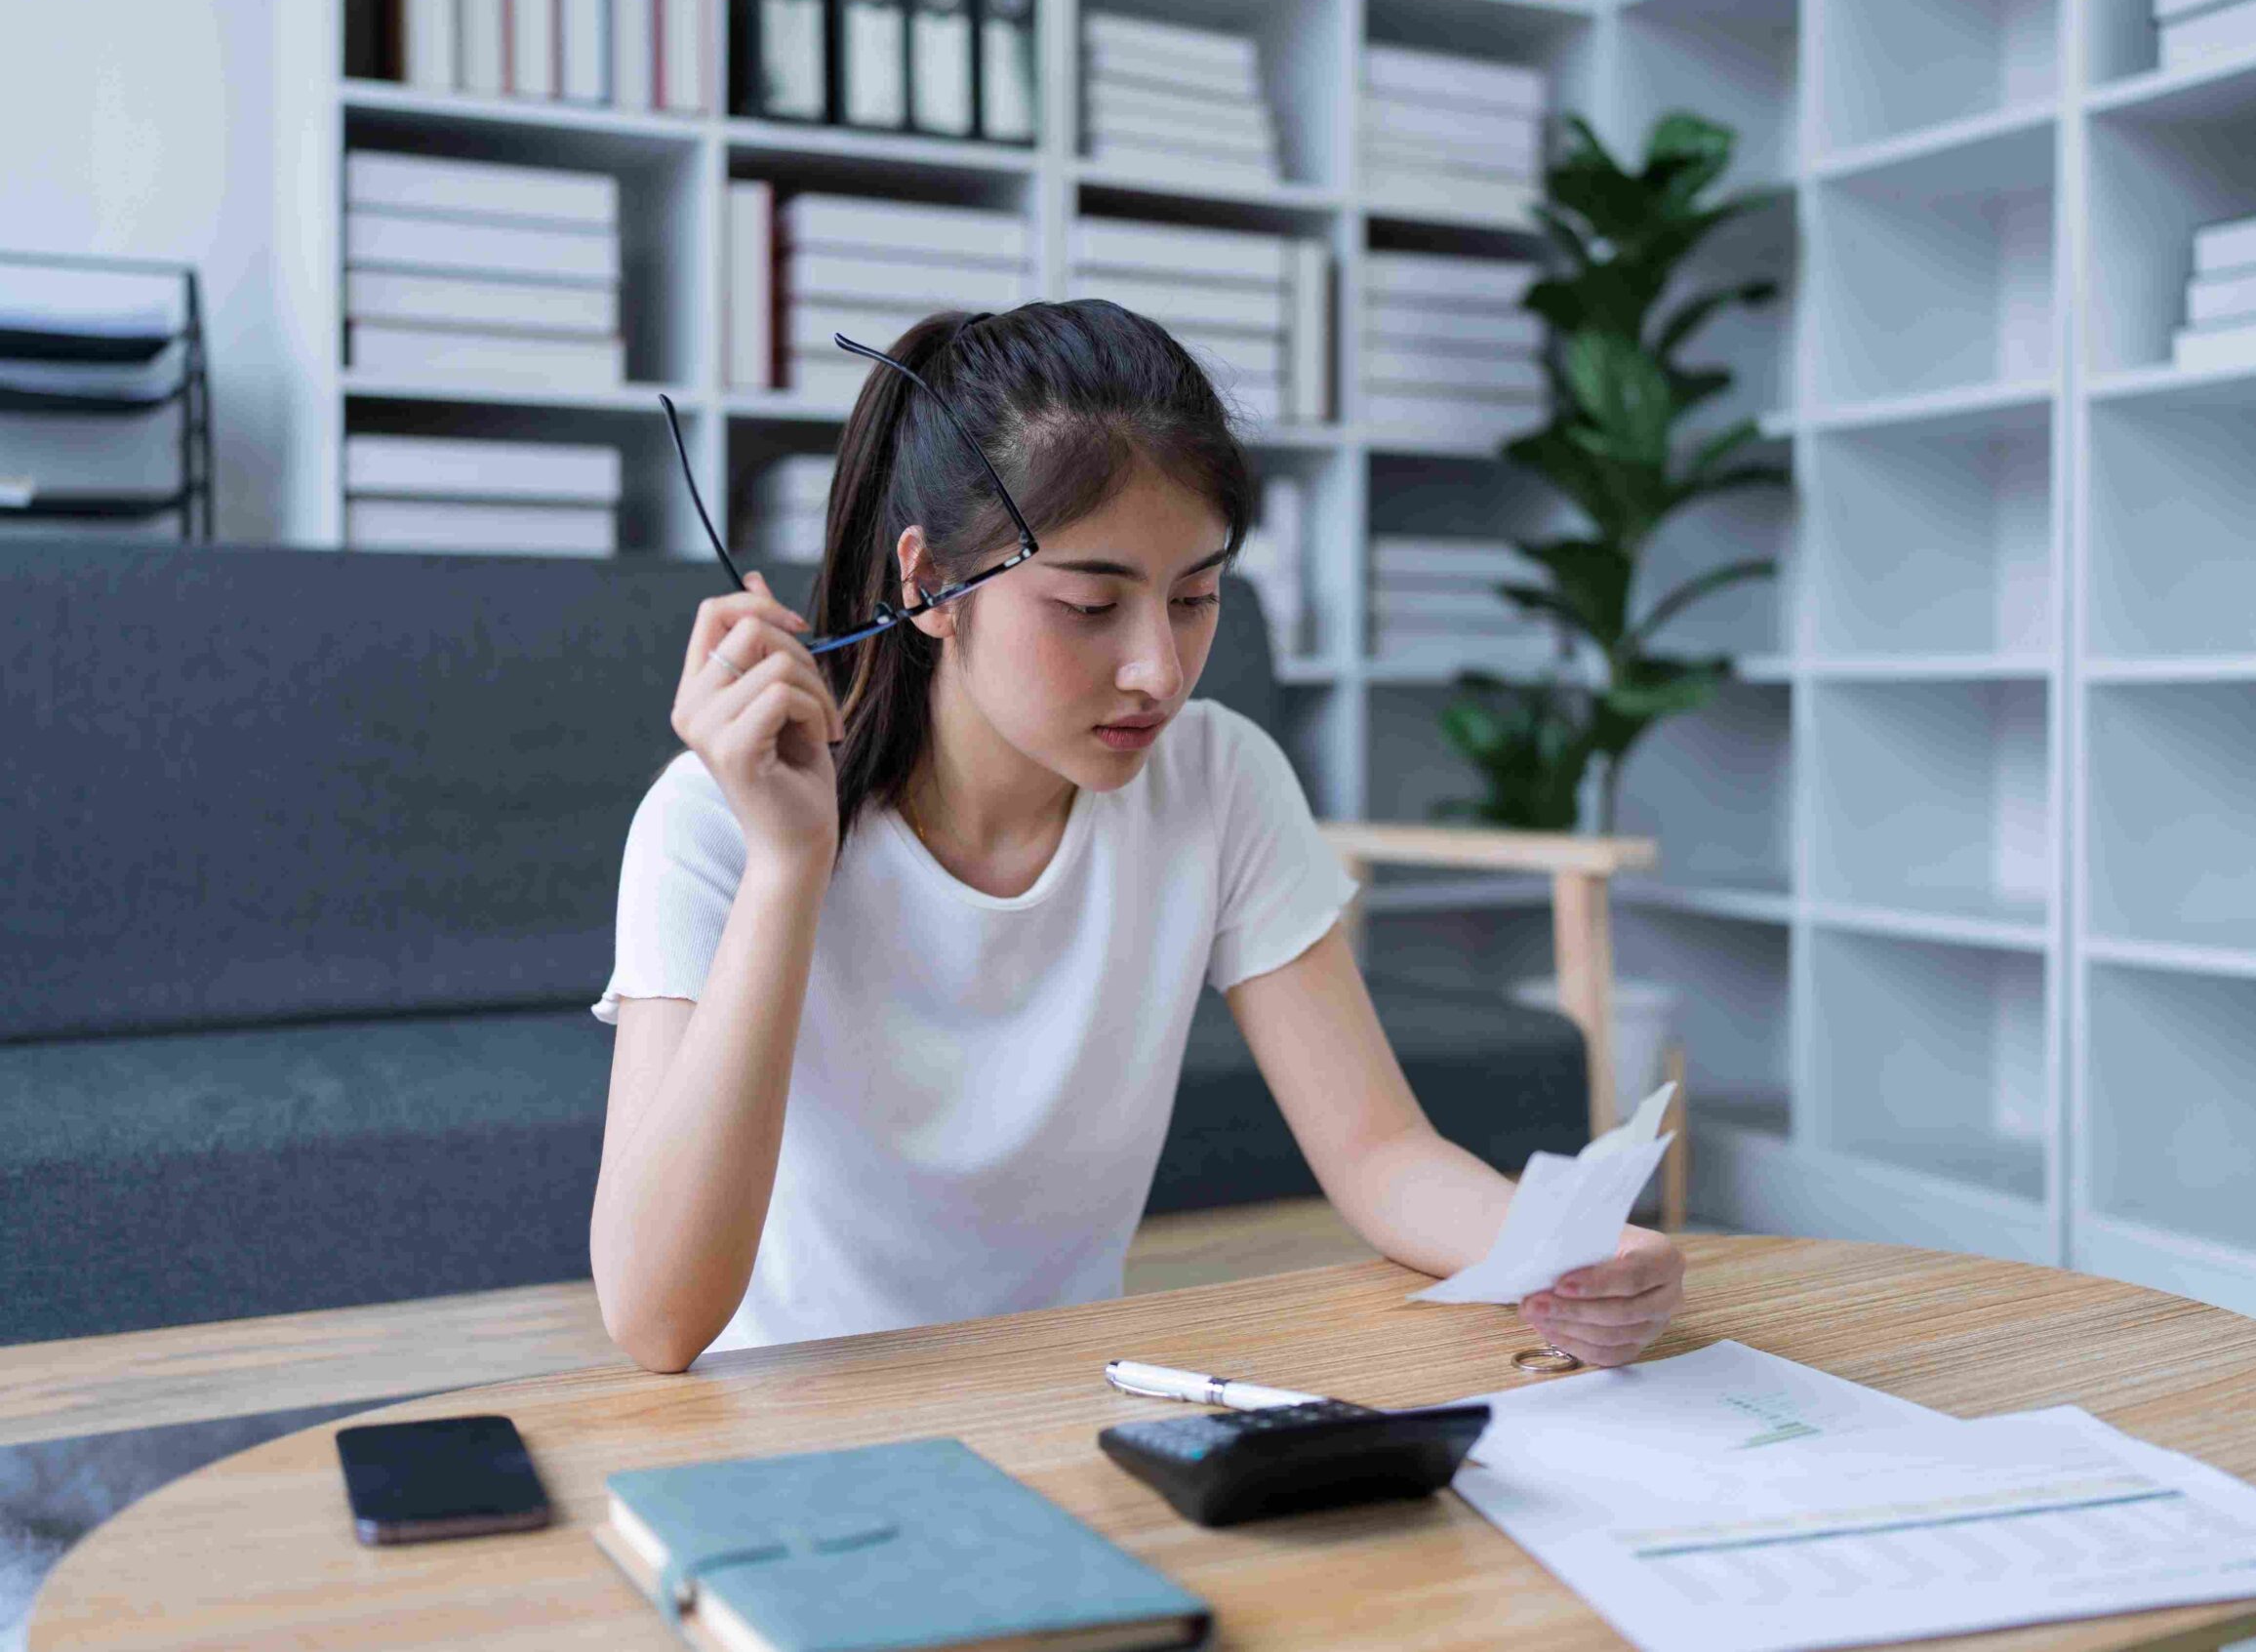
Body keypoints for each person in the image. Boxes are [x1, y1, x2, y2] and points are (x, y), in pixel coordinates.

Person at [586, 300, 1684, 1374]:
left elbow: (1378, 1152)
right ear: (928, 584)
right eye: (1088, 604)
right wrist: (788, 868)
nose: (1157, 669)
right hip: (785, 1424)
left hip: (1072, 1400)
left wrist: (1572, 1249)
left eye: (1196, 596)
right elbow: (656, 1321)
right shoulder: (710, 824)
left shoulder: (1216, 778)